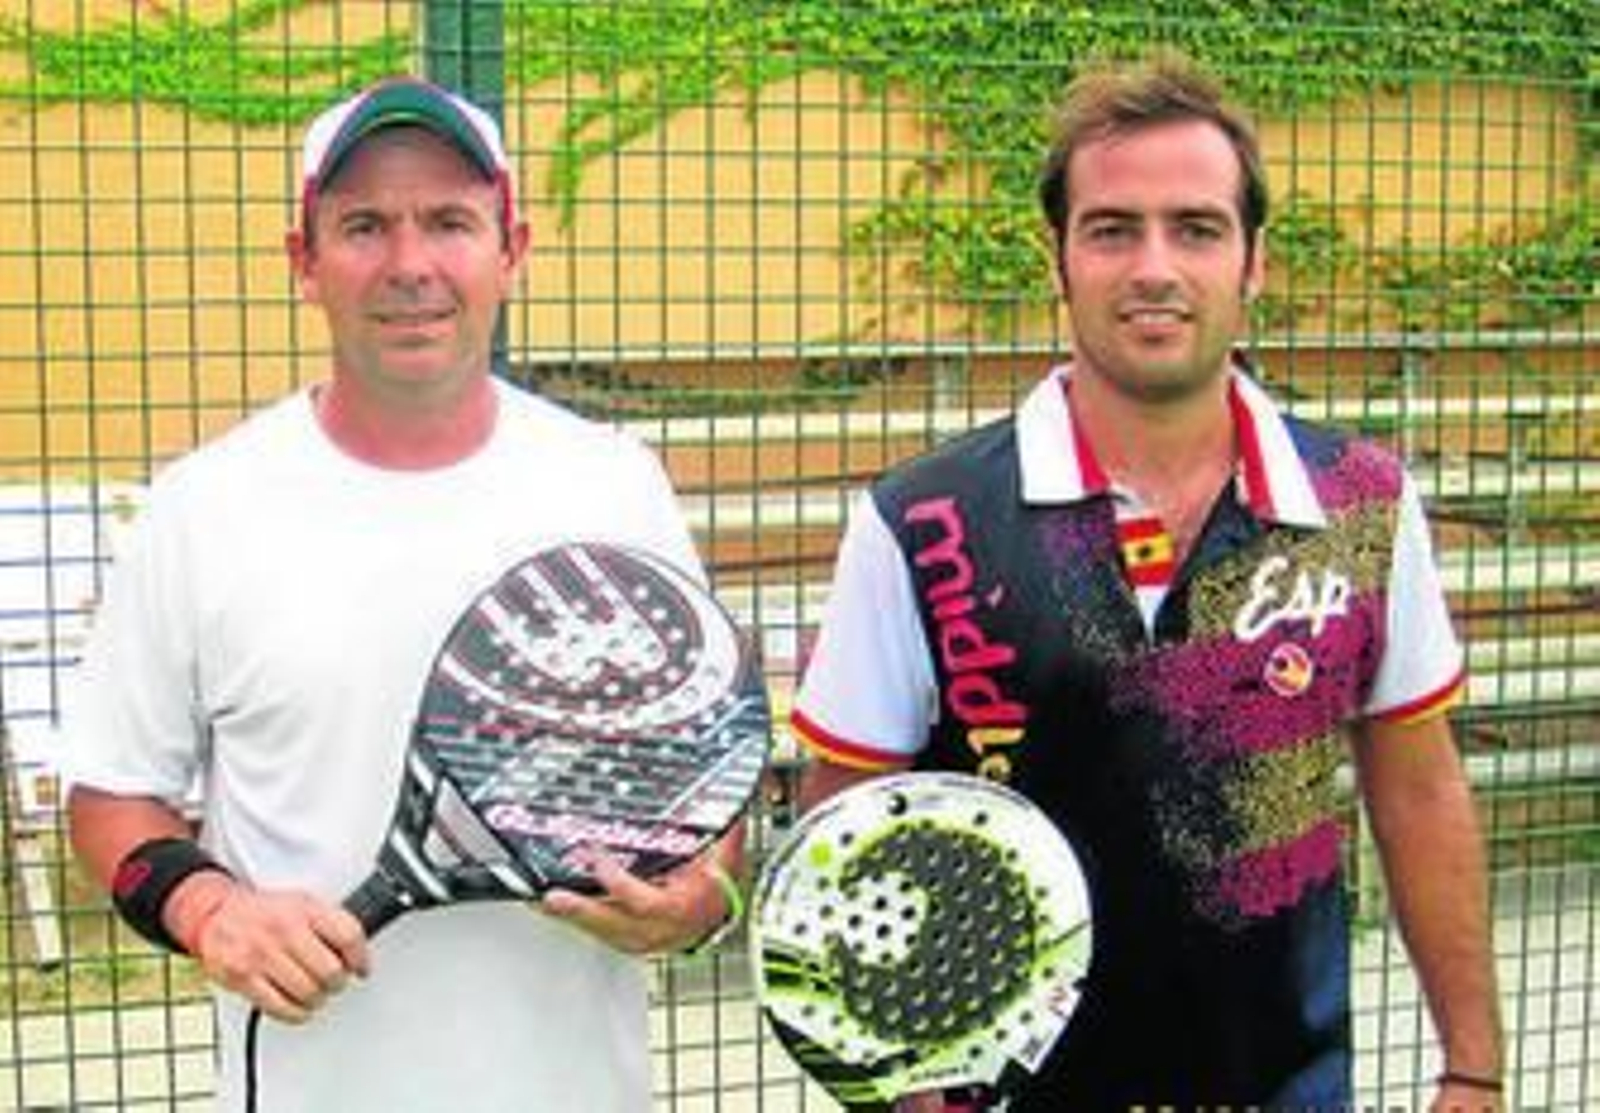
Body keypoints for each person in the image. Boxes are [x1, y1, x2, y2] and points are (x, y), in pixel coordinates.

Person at [790, 53, 1503, 1111]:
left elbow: (1420, 789)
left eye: (1196, 228)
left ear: (1253, 262)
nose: (1154, 267)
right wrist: (893, 1077)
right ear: (1059, 259)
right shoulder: (919, 520)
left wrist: (1474, 1069)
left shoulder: (1363, 501)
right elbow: (845, 812)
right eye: (1113, 229)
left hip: (1286, 1088)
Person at [61, 76, 743, 1112]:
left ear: (511, 251)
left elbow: (702, 766)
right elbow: (111, 795)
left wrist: (701, 898)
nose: (410, 265)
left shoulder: (613, 483)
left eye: (449, 222)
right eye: (365, 226)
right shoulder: (201, 507)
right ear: (304, 261)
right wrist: (209, 909)